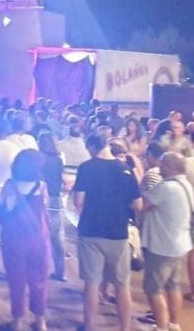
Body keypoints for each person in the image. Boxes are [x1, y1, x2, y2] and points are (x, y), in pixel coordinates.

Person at [73, 131, 142, 331]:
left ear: (92, 147)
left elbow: (78, 201)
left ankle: (89, 326)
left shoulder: (86, 168)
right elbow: (137, 204)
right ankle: (124, 327)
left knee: (92, 284)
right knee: (122, 285)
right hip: (118, 232)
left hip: (90, 231)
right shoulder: (125, 170)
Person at [0, 149, 50, 331]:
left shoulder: (9, 185)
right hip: (38, 238)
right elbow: (46, 208)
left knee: (16, 278)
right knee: (39, 279)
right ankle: (40, 320)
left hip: (14, 238)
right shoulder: (41, 186)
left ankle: (17, 320)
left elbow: (3, 208)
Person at [139, 152, 192, 331]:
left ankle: (161, 327)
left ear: (170, 166)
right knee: (173, 286)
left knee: (153, 289)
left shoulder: (166, 187)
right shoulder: (186, 185)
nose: (158, 166)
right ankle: (174, 324)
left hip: (162, 247)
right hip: (180, 245)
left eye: (161, 163)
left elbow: (142, 205)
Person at [38, 132, 68, 281]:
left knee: (41, 234)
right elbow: (61, 179)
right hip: (56, 199)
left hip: (42, 198)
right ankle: (60, 271)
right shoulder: (58, 159)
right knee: (57, 237)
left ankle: (40, 269)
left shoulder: (39, 159)